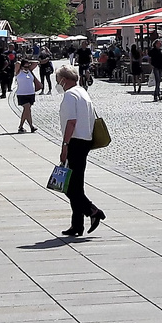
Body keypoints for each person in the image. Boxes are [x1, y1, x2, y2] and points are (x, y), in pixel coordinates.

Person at [54, 66, 105, 237]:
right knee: (76, 185)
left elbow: (71, 122)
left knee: (70, 187)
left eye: (57, 80)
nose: (57, 84)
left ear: (64, 80)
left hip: (75, 142)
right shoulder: (83, 92)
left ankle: (93, 211)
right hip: (85, 141)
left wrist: (64, 145)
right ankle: (77, 225)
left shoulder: (70, 95)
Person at [13, 60, 38, 132]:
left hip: (31, 93)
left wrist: (28, 63)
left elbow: (36, 63)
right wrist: (22, 63)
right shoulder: (18, 72)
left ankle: (21, 127)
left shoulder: (29, 71)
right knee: (27, 108)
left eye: (28, 66)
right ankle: (31, 126)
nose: (27, 68)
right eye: (25, 66)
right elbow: (17, 63)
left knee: (27, 111)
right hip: (22, 94)